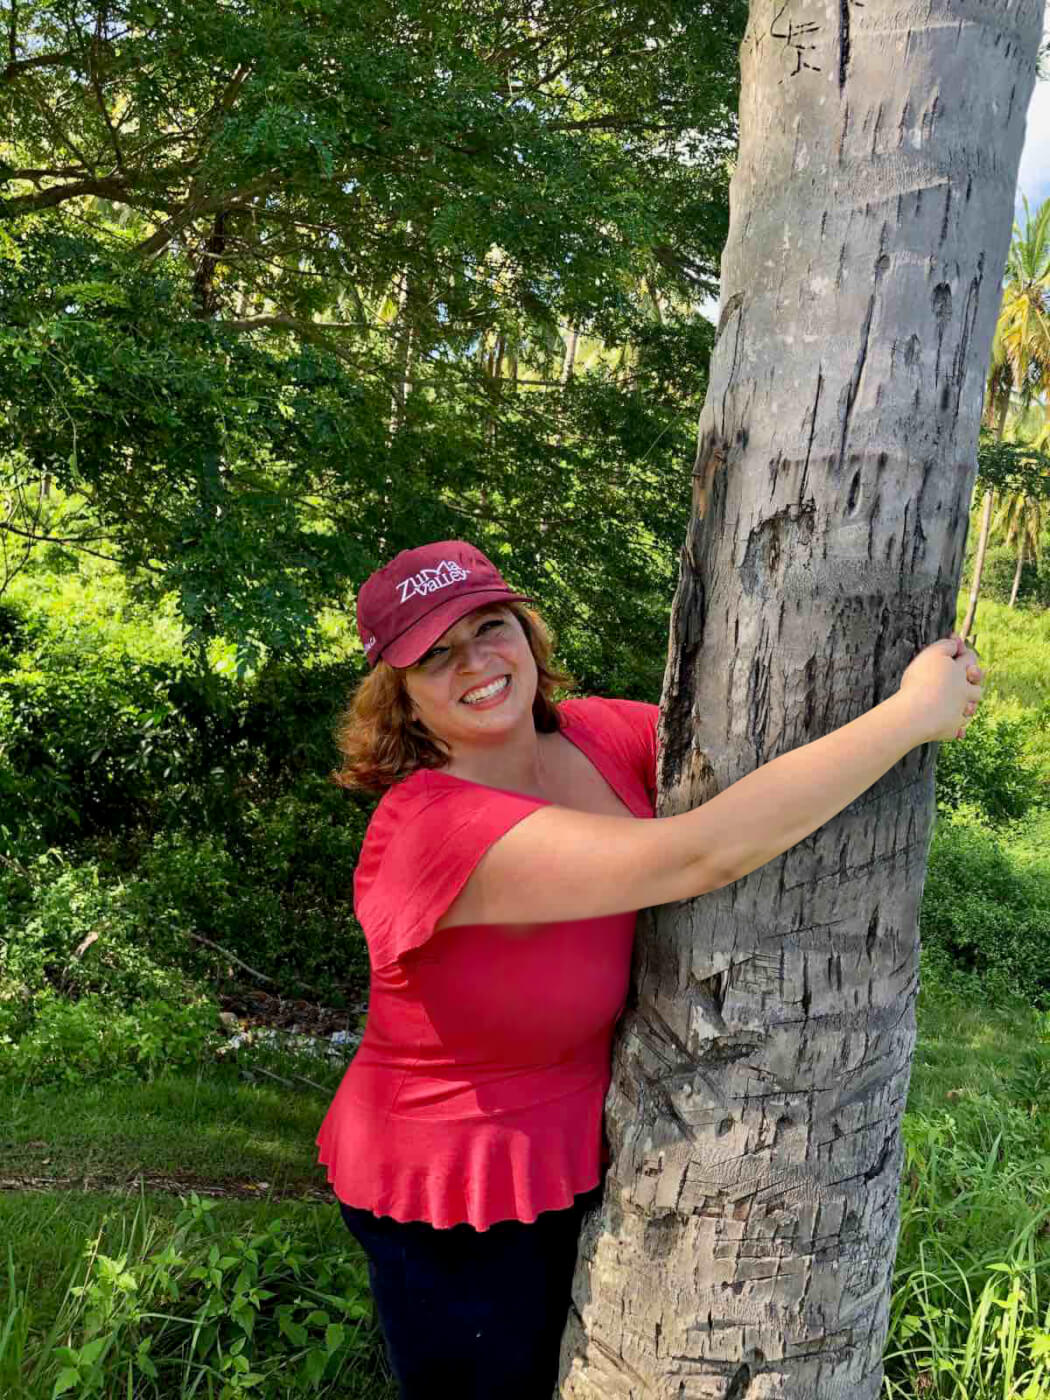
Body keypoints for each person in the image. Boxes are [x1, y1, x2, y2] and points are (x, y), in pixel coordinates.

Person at [316, 539, 983, 1400]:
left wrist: (915, 688)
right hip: (455, 1184)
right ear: (398, 694)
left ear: (527, 631)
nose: (476, 663)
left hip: (585, 1145)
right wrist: (906, 719)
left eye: (491, 627)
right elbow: (696, 855)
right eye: (434, 655)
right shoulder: (432, 830)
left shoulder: (596, 734)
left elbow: (764, 747)